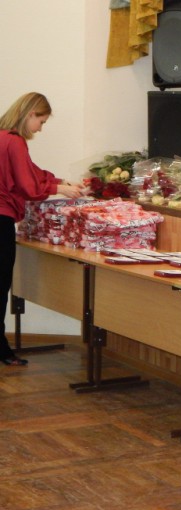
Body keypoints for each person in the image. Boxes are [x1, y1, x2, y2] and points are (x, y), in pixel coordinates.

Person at [0, 92, 85, 366]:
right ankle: (1, 350)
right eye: (41, 121)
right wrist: (59, 188)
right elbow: (28, 185)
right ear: (30, 114)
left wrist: (60, 181)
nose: (40, 128)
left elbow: (31, 172)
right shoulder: (15, 141)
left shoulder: (2, 137)